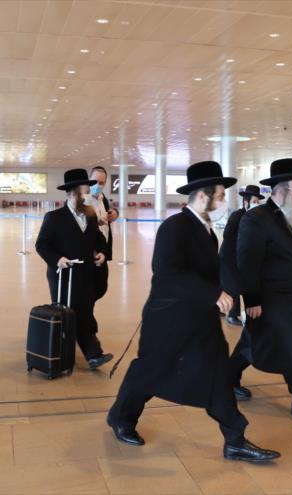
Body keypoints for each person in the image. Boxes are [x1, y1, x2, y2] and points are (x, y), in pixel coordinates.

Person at [107, 161, 280, 463]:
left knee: (217, 374)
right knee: (149, 372)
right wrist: (213, 293)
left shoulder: (207, 231)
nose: (224, 201)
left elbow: (216, 269)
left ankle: (235, 439)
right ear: (203, 196)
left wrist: (239, 290)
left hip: (199, 320)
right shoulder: (175, 227)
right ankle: (121, 417)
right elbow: (167, 273)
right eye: (221, 195)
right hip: (168, 320)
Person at [231, 158, 292, 424]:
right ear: (281, 190)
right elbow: (247, 262)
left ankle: (227, 379)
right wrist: (251, 299)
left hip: (290, 296)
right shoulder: (256, 219)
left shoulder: (289, 215)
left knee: (250, 343)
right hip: (270, 298)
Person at [35, 169, 114, 370]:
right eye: (85, 191)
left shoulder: (90, 216)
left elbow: (100, 240)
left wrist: (102, 254)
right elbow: (42, 245)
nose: (89, 195)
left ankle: (93, 355)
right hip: (63, 276)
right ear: (73, 193)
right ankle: (61, 353)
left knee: (85, 314)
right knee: (66, 314)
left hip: (86, 274)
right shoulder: (54, 218)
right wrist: (57, 259)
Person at [219, 184, 264, 327]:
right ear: (246, 202)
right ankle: (232, 315)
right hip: (229, 257)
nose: (257, 205)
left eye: (258, 202)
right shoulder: (237, 216)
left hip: (241, 257)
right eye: (254, 202)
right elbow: (228, 236)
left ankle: (218, 308)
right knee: (234, 286)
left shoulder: (255, 218)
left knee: (229, 285)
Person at [86, 166, 119, 301]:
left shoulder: (102, 198)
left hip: (102, 251)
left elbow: (109, 212)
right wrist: (94, 222)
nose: (98, 185)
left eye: (101, 183)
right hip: (88, 253)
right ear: (89, 180)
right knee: (88, 290)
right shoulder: (82, 200)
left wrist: (115, 213)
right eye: (95, 181)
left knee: (100, 287)